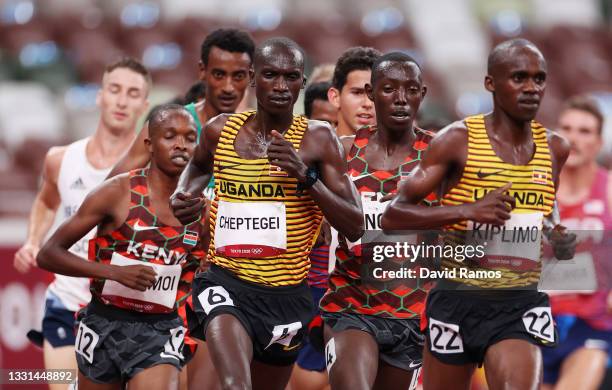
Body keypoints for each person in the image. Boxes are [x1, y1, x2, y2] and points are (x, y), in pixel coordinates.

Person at [170, 37, 364, 390]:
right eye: (270, 75)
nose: (279, 86)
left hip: (286, 294)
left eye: (290, 77)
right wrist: (184, 194)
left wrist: (306, 176)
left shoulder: (319, 139)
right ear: (252, 77)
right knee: (234, 384)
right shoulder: (220, 130)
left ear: (302, 83)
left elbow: (354, 224)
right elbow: (196, 168)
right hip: (224, 282)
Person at [381, 39, 575, 390]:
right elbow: (393, 216)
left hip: (519, 302)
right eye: (519, 78)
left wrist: (555, 233)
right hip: (458, 297)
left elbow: (545, 209)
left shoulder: (555, 147)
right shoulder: (458, 140)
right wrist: (468, 210)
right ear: (490, 83)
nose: (532, 88)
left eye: (539, 79)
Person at [37, 104, 204, 389]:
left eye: (190, 138)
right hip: (104, 322)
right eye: (170, 136)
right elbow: (48, 254)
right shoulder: (116, 192)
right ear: (149, 144)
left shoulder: (201, 209)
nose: (181, 145)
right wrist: (114, 273)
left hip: (160, 329)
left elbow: (206, 267)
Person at [12, 58, 150, 389]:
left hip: (127, 311)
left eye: (132, 93)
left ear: (145, 105)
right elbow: (47, 201)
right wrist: (33, 240)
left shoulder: (153, 169)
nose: (121, 100)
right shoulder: (61, 158)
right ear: (100, 95)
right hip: (67, 301)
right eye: (114, 90)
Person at [319, 52, 436, 390]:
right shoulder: (340, 150)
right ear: (372, 93)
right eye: (388, 89)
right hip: (351, 307)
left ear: (422, 94)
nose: (400, 99)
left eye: (410, 90)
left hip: (413, 314)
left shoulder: (440, 154)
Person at [109, 28, 255, 177]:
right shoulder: (164, 125)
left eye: (238, 76)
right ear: (202, 71)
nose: (228, 87)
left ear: (250, 76)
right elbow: (109, 189)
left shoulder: (259, 137)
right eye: (219, 75)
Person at [541, 96, 612, 390]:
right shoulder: (534, 192)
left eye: (585, 131)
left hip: (592, 324)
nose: (574, 138)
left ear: (598, 142)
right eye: (567, 128)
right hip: (535, 322)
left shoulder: (608, 190)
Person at [288, 79, 338, 390]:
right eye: (323, 124)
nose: (329, 133)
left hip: (358, 293)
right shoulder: (293, 168)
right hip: (308, 288)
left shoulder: (365, 164)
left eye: (335, 123)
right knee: (306, 381)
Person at [328, 47, 380, 137]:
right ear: (335, 97)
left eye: (374, 94)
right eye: (357, 93)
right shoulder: (310, 149)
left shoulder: (405, 149)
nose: (367, 104)